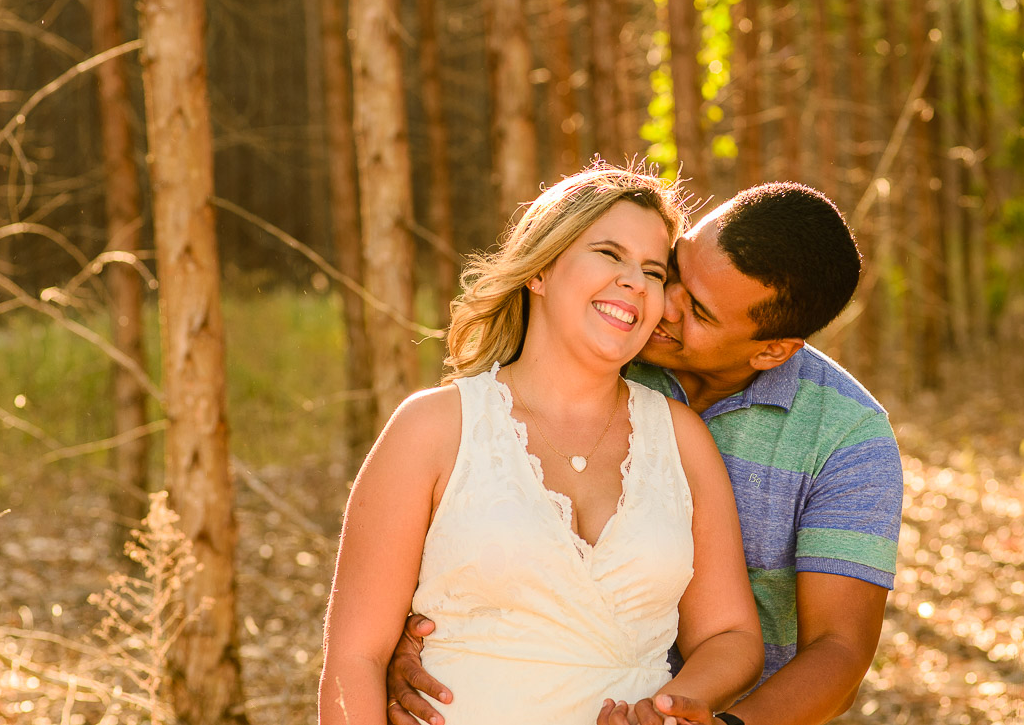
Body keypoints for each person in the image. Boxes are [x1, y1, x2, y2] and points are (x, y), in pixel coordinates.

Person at [387, 182, 903, 725]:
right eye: (674, 271)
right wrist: (414, 631)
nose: (658, 305)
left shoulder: (848, 439)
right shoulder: (599, 337)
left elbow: (839, 651)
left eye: (698, 311)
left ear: (771, 349)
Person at [319, 164, 764, 725]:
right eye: (608, 253)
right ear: (540, 271)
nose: (634, 280)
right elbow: (355, 658)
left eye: (653, 270)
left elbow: (731, 634)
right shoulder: (432, 428)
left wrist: (671, 704)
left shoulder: (682, 439)